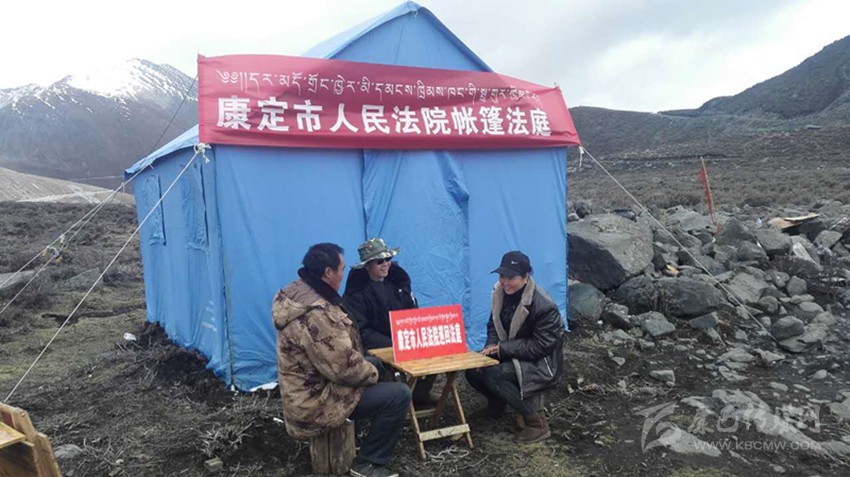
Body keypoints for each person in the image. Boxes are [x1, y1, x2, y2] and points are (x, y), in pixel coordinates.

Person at [272, 243, 410, 477]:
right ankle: (368, 464)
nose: (344, 274)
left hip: (312, 386)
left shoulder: (298, 291)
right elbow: (344, 369)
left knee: (375, 363)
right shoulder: (317, 315)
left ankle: (359, 435)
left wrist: (371, 364)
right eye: (342, 269)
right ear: (328, 273)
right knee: (399, 394)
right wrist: (373, 372)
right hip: (315, 403)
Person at [465, 250, 564, 444]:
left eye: (511, 278)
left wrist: (502, 349)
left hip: (541, 362)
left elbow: (542, 345)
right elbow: (493, 324)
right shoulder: (499, 294)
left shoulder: (543, 305)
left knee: (495, 375)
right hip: (513, 351)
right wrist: (491, 346)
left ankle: (536, 423)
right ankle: (496, 405)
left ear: (526, 277)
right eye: (502, 276)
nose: (505, 282)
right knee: (474, 370)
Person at [343, 237, 436, 407]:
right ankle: (397, 401)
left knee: (435, 352)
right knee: (380, 364)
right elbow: (361, 331)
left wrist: (418, 336)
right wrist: (393, 344)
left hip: (403, 339)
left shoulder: (399, 283)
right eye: (379, 261)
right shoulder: (356, 293)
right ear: (367, 265)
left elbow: (412, 313)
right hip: (375, 346)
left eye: (388, 259)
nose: (385, 264)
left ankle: (419, 396)